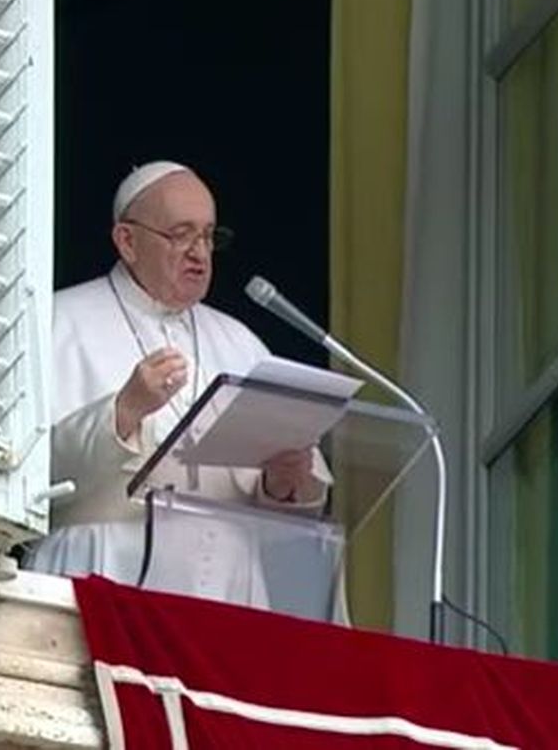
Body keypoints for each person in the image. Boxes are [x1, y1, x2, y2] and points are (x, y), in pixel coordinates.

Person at [26, 161, 330, 608]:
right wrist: (124, 411)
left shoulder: (242, 343)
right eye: (181, 234)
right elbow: (24, 472)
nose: (199, 253)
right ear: (127, 240)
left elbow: (297, 507)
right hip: (103, 569)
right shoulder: (55, 323)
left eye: (208, 236)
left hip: (229, 590)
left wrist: (285, 485)